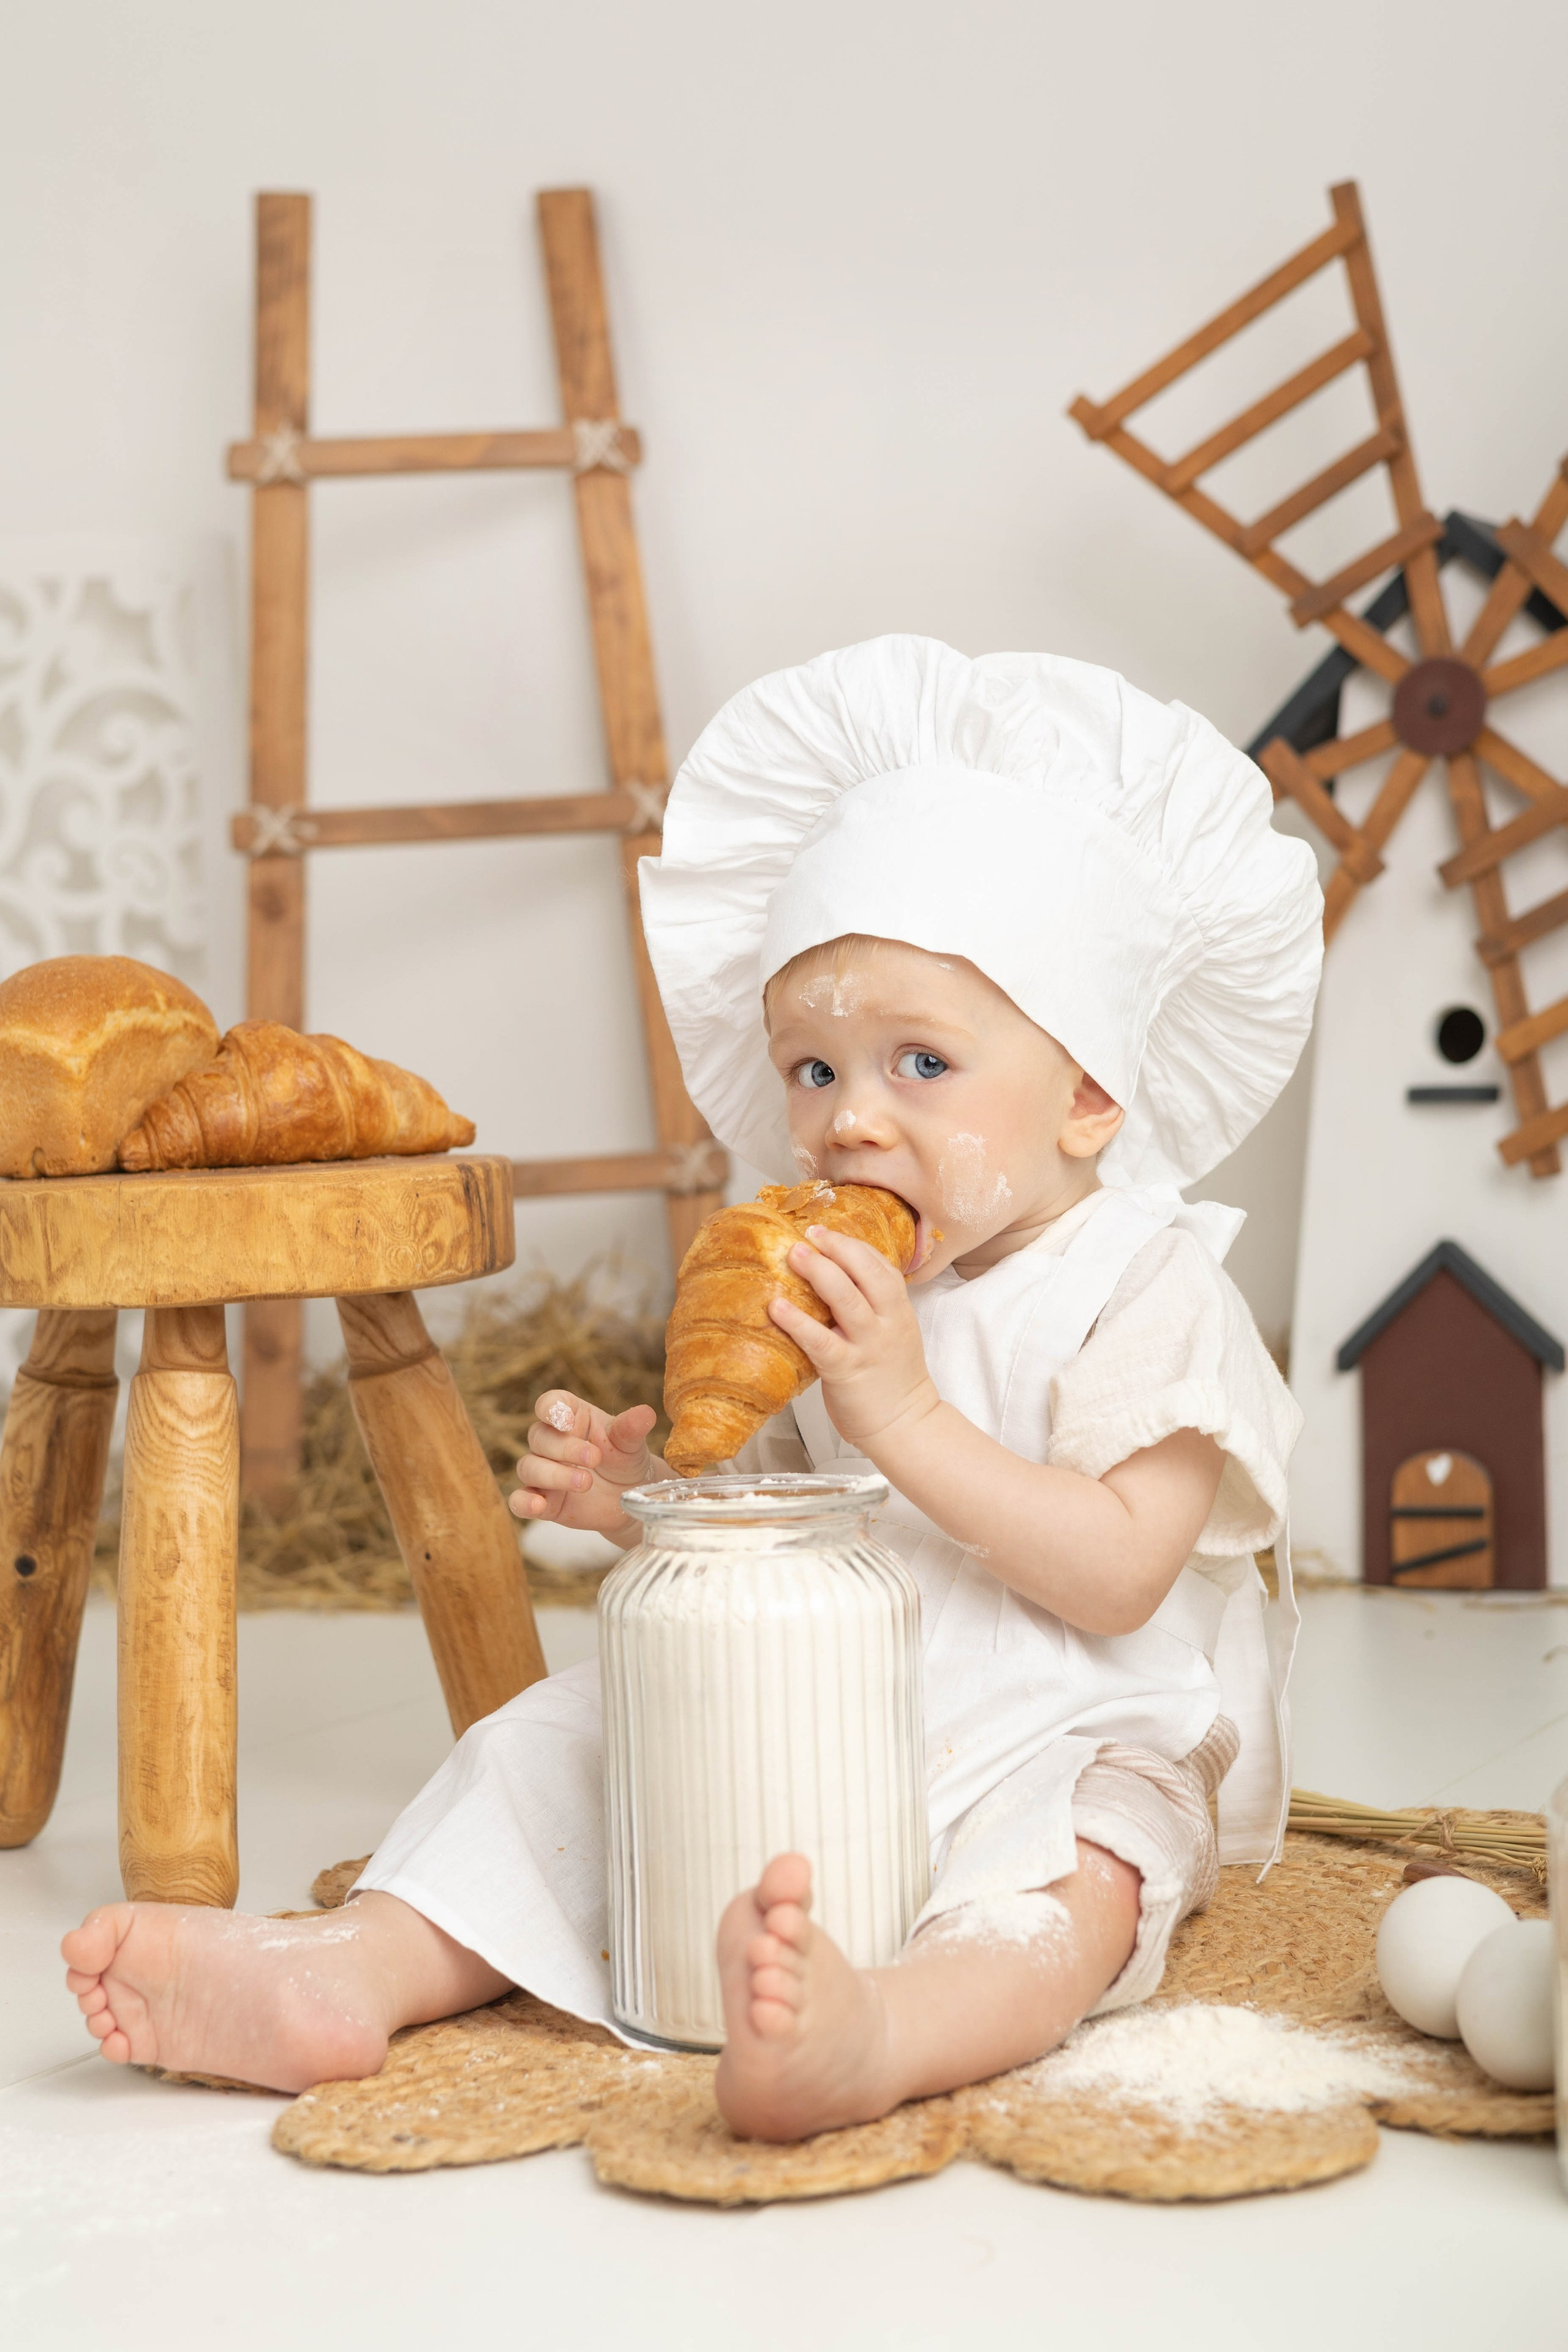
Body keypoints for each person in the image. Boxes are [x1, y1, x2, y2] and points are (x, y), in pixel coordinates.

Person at [63, 637, 1321, 2141]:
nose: (849, 1119)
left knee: (1080, 1883)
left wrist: (905, 1413)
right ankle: (352, 1968)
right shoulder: (827, 1290)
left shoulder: (1146, 1283)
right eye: (810, 1070)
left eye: (919, 1061)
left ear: (1089, 1095)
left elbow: (1119, 1579)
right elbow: (789, 1524)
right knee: (559, 1738)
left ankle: (888, 2032)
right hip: (834, 1690)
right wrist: (643, 1506)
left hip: (1065, 1721)